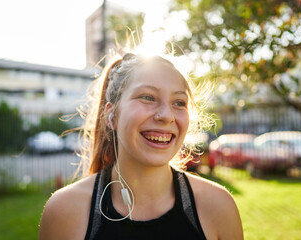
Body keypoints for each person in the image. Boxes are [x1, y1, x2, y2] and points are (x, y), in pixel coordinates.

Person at [39, 53, 243, 240]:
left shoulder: (218, 206)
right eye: (147, 97)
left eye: (179, 102)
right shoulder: (65, 211)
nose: (166, 115)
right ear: (112, 115)